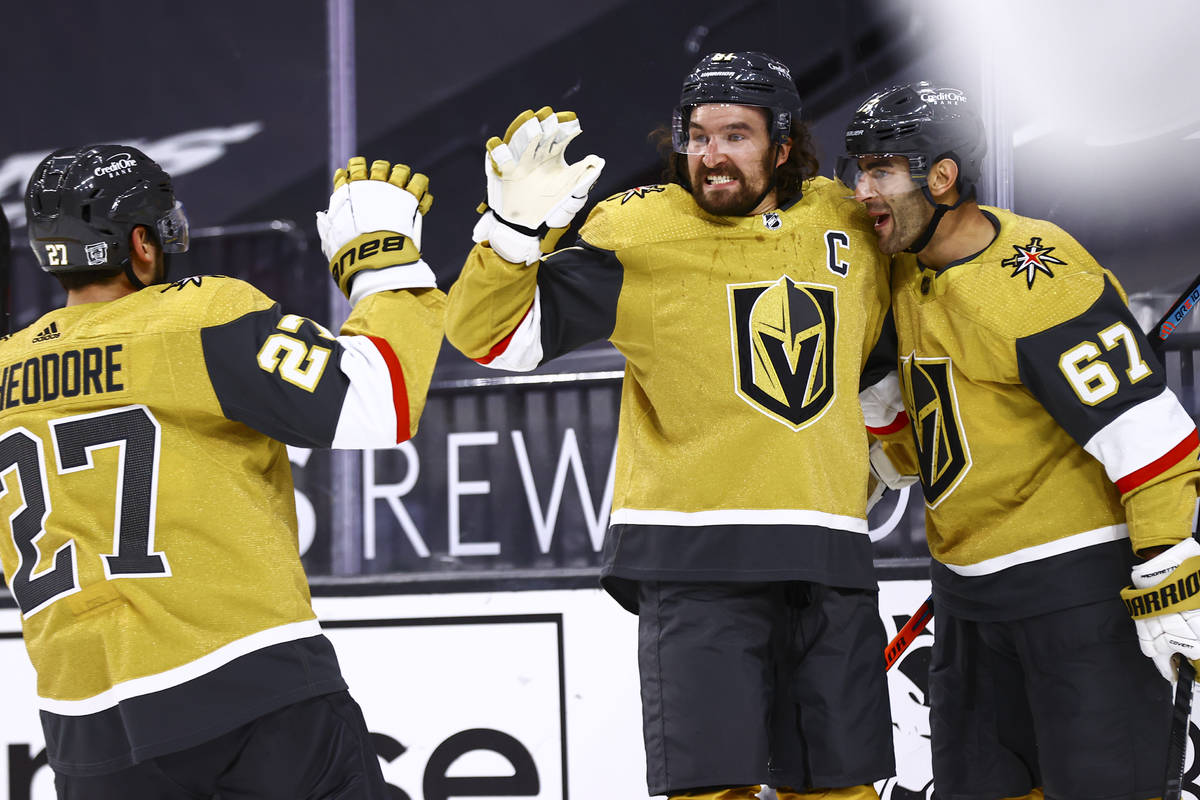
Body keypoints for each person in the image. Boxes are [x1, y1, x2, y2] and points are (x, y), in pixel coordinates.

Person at [445, 52, 898, 799]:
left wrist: (888, 455)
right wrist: (511, 232)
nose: (712, 155)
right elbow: (494, 339)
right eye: (698, 135)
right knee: (712, 791)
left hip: (828, 558)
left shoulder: (844, 220)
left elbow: (881, 357)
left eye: (736, 135)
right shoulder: (638, 232)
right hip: (697, 564)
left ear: (784, 145)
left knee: (840, 790)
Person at [5, 145, 445, 798]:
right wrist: (381, 264)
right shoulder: (200, 316)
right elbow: (380, 402)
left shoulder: (7, 368)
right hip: (247, 691)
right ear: (142, 243)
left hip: (84, 727)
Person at [840, 82, 1200, 799]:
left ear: (941, 177)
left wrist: (1169, 579)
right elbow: (947, 417)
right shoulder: (906, 274)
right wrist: (880, 460)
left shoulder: (1037, 281)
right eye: (860, 170)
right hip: (970, 603)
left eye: (881, 170)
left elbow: (1151, 440)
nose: (862, 191)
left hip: (1079, 602)